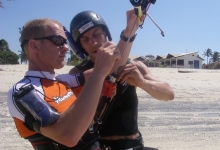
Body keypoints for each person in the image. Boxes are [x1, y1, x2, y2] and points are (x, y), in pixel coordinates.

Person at [7, 18, 120, 150]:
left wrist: (129, 31)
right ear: (34, 45)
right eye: (58, 41)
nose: (66, 48)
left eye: (65, 42)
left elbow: (109, 66)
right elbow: (68, 136)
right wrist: (99, 72)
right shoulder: (22, 91)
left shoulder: (63, 81)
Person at [69, 9, 175, 150]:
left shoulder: (134, 66)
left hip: (134, 144)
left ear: (106, 33)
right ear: (80, 45)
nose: (93, 42)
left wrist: (143, 83)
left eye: (96, 34)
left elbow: (169, 94)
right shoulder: (78, 73)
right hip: (100, 145)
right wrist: (128, 32)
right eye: (85, 39)